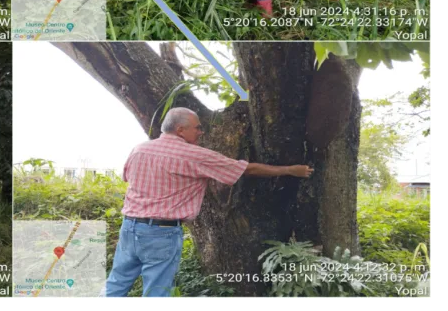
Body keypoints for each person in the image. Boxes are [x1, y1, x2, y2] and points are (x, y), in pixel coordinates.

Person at [101, 107, 314, 298]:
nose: (201, 132)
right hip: (162, 233)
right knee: (157, 291)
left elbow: (127, 177)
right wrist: (290, 170)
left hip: (130, 228)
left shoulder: (140, 149)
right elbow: (245, 169)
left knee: (116, 284)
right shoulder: (193, 155)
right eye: (197, 128)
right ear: (180, 129)